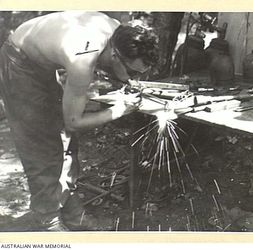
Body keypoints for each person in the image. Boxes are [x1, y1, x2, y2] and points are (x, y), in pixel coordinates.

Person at [0, 11, 159, 231]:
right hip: (18, 61)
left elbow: (68, 127)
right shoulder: (82, 59)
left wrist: (125, 81)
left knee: (66, 140)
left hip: (42, 60)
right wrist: (118, 111)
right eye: (133, 72)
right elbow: (74, 121)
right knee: (41, 143)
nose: (136, 79)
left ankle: (70, 208)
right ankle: (48, 219)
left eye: (142, 74)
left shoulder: (119, 33)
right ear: (115, 56)